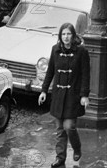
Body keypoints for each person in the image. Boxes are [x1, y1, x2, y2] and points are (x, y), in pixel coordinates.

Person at [38, 23, 90, 168]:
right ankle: (60, 158)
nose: (66, 37)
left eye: (69, 34)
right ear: (60, 36)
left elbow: (86, 75)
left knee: (69, 126)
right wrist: (43, 91)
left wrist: (84, 95)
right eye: (63, 34)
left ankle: (77, 147)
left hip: (73, 96)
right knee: (60, 129)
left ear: (73, 36)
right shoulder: (55, 50)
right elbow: (50, 72)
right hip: (58, 95)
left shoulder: (81, 52)